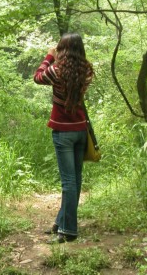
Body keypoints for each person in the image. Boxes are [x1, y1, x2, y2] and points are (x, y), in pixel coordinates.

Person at [33, 32, 94, 244]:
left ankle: (69, 231)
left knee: (68, 181)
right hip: (80, 131)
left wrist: (49, 56)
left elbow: (38, 77)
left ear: (62, 49)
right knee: (75, 180)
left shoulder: (56, 70)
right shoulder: (87, 70)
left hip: (63, 132)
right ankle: (61, 223)